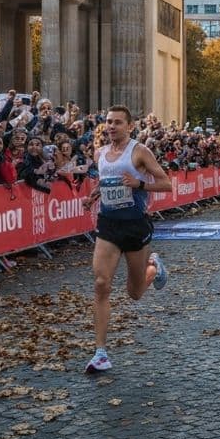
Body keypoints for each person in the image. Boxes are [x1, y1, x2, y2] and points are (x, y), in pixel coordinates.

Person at [81, 105, 171, 373]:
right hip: (108, 225)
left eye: (118, 122)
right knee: (101, 283)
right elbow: (107, 181)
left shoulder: (140, 151)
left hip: (135, 225)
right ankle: (100, 353)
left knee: (135, 293)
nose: (111, 126)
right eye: (108, 122)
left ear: (130, 126)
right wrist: (93, 196)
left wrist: (140, 184)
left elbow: (166, 183)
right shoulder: (100, 153)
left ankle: (153, 267)